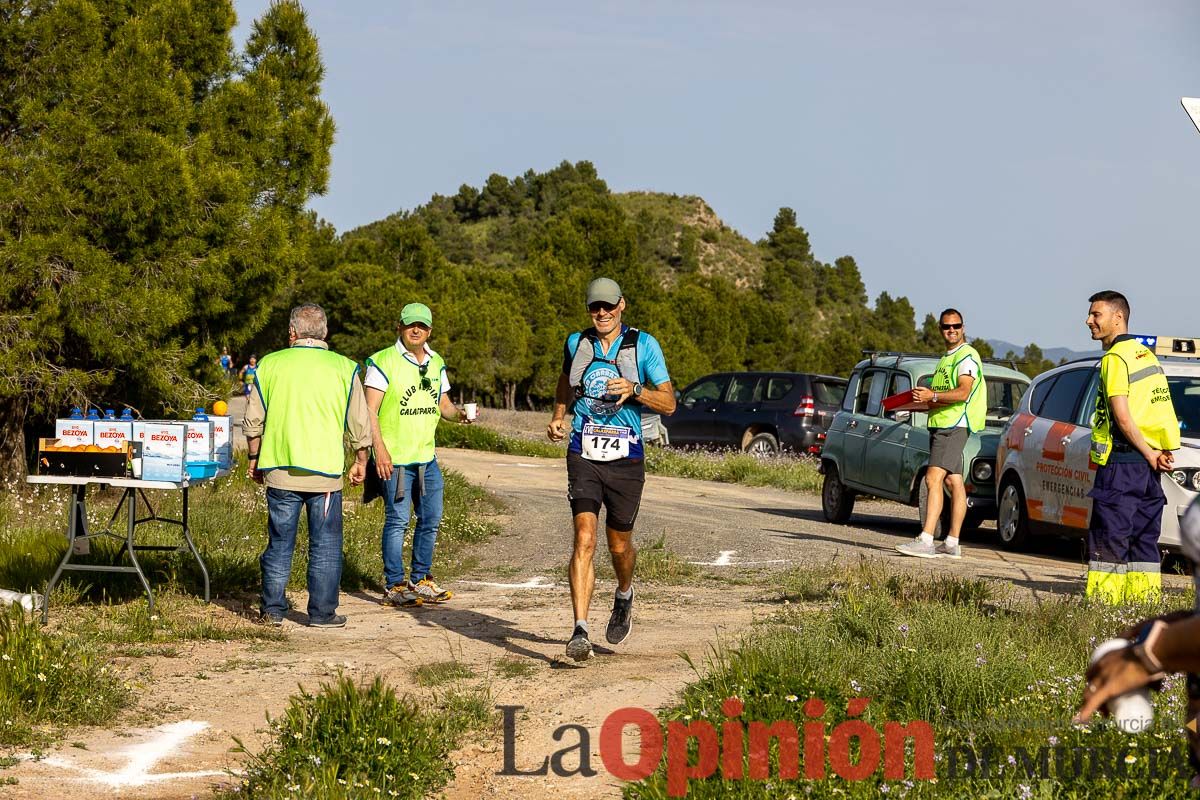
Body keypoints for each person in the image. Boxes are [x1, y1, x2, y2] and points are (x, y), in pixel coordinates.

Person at [546, 277, 676, 662]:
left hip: (627, 457)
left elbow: (669, 403)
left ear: (622, 305)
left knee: (618, 545)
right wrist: (558, 416)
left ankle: (624, 594)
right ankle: (580, 630)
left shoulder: (643, 345)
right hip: (583, 450)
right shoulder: (577, 343)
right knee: (584, 538)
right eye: (594, 307)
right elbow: (564, 382)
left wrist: (635, 390)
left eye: (607, 306)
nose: (601, 313)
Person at [242, 304, 371, 628]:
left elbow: (253, 420)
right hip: (325, 472)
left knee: (280, 542)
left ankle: (272, 610)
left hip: (280, 469)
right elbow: (359, 420)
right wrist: (360, 459)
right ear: (325, 332)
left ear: (292, 332)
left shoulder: (269, 365)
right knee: (325, 545)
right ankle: (322, 613)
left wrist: (254, 458)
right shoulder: (345, 367)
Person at [364, 302, 469, 607]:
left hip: (426, 457)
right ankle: (394, 585)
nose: (415, 330)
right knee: (397, 521)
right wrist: (378, 450)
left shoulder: (436, 362)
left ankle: (421, 580)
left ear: (429, 331)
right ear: (400, 326)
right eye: (410, 325)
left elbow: (443, 404)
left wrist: (459, 415)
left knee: (431, 518)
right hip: (394, 458)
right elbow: (370, 410)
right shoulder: (384, 361)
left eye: (421, 326)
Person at [1082, 290, 1179, 603]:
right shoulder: (1146, 356)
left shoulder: (1114, 359)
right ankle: (1144, 605)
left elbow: (1122, 418)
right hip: (1149, 467)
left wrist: (1149, 452)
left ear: (1117, 317)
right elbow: (1158, 410)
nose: (1089, 321)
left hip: (1122, 464)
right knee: (1143, 539)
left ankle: (1103, 605)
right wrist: (1158, 452)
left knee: (1110, 535)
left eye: (1096, 315)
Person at [897, 308, 986, 560]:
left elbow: (963, 392)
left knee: (932, 479)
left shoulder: (966, 356)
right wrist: (920, 400)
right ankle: (952, 542)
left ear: (963, 327)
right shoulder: (947, 358)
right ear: (940, 329)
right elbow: (944, 395)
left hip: (953, 425)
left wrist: (932, 396)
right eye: (947, 327)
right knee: (953, 481)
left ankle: (926, 539)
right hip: (944, 423)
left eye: (956, 326)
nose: (952, 330)